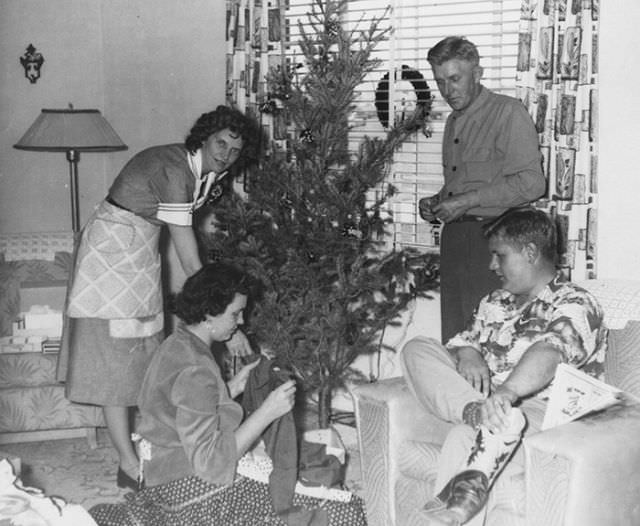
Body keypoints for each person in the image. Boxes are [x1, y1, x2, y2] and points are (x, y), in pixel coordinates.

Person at [61, 105, 260, 490]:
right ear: (203, 138)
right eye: (220, 143)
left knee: (147, 360)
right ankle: (127, 462)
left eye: (235, 150)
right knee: (113, 364)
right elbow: (188, 256)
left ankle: (153, 450)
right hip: (110, 258)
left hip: (140, 256)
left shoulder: (207, 175)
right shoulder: (174, 168)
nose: (226, 154)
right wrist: (226, 321)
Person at [89, 262, 366, 526]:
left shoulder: (179, 343)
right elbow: (211, 463)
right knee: (343, 512)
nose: (241, 321)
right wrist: (267, 411)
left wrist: (233, 387)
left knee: (305, 489)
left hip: (165, 470)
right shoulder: (195, 370)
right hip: (189, 488)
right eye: (235, 314)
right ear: (209, 314)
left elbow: (186, 407)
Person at [400, 208, 607, 525]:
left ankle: (485, 422)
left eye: (499, 256)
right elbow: (461, 341)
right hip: (486, 401)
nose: (491, 265)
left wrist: (507, 394)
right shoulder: (494, 301)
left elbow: (549, 352)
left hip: (542, 408)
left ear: (530, 252)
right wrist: (468, 352)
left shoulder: (576, 302)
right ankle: (475, 412)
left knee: (461, 438)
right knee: (417, 348)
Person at [419, 36, 546, 343]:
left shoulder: (508, 112)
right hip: (456, 242)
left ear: (477, 73)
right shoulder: (453, 120)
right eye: (440, 82)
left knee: (491, 341)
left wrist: (466, 201)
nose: (448, 91)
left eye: (455, 79)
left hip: (495, 244)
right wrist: (439, 201)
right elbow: (464, 182)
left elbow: (532, 183)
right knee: (457, 338)